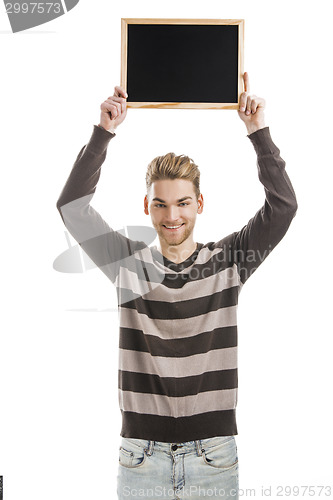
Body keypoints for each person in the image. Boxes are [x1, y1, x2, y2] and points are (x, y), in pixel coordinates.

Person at [56, 72, 297, 499]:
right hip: (140, 457)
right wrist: (103, 132)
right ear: (147, 206)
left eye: (183, 203)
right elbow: (71, 207)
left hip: (214, 457)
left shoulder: (229, 261)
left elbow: (282, 208)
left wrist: (258, 133)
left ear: (199, 204)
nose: (173, 216)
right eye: (162, 204)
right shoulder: (127, 264)